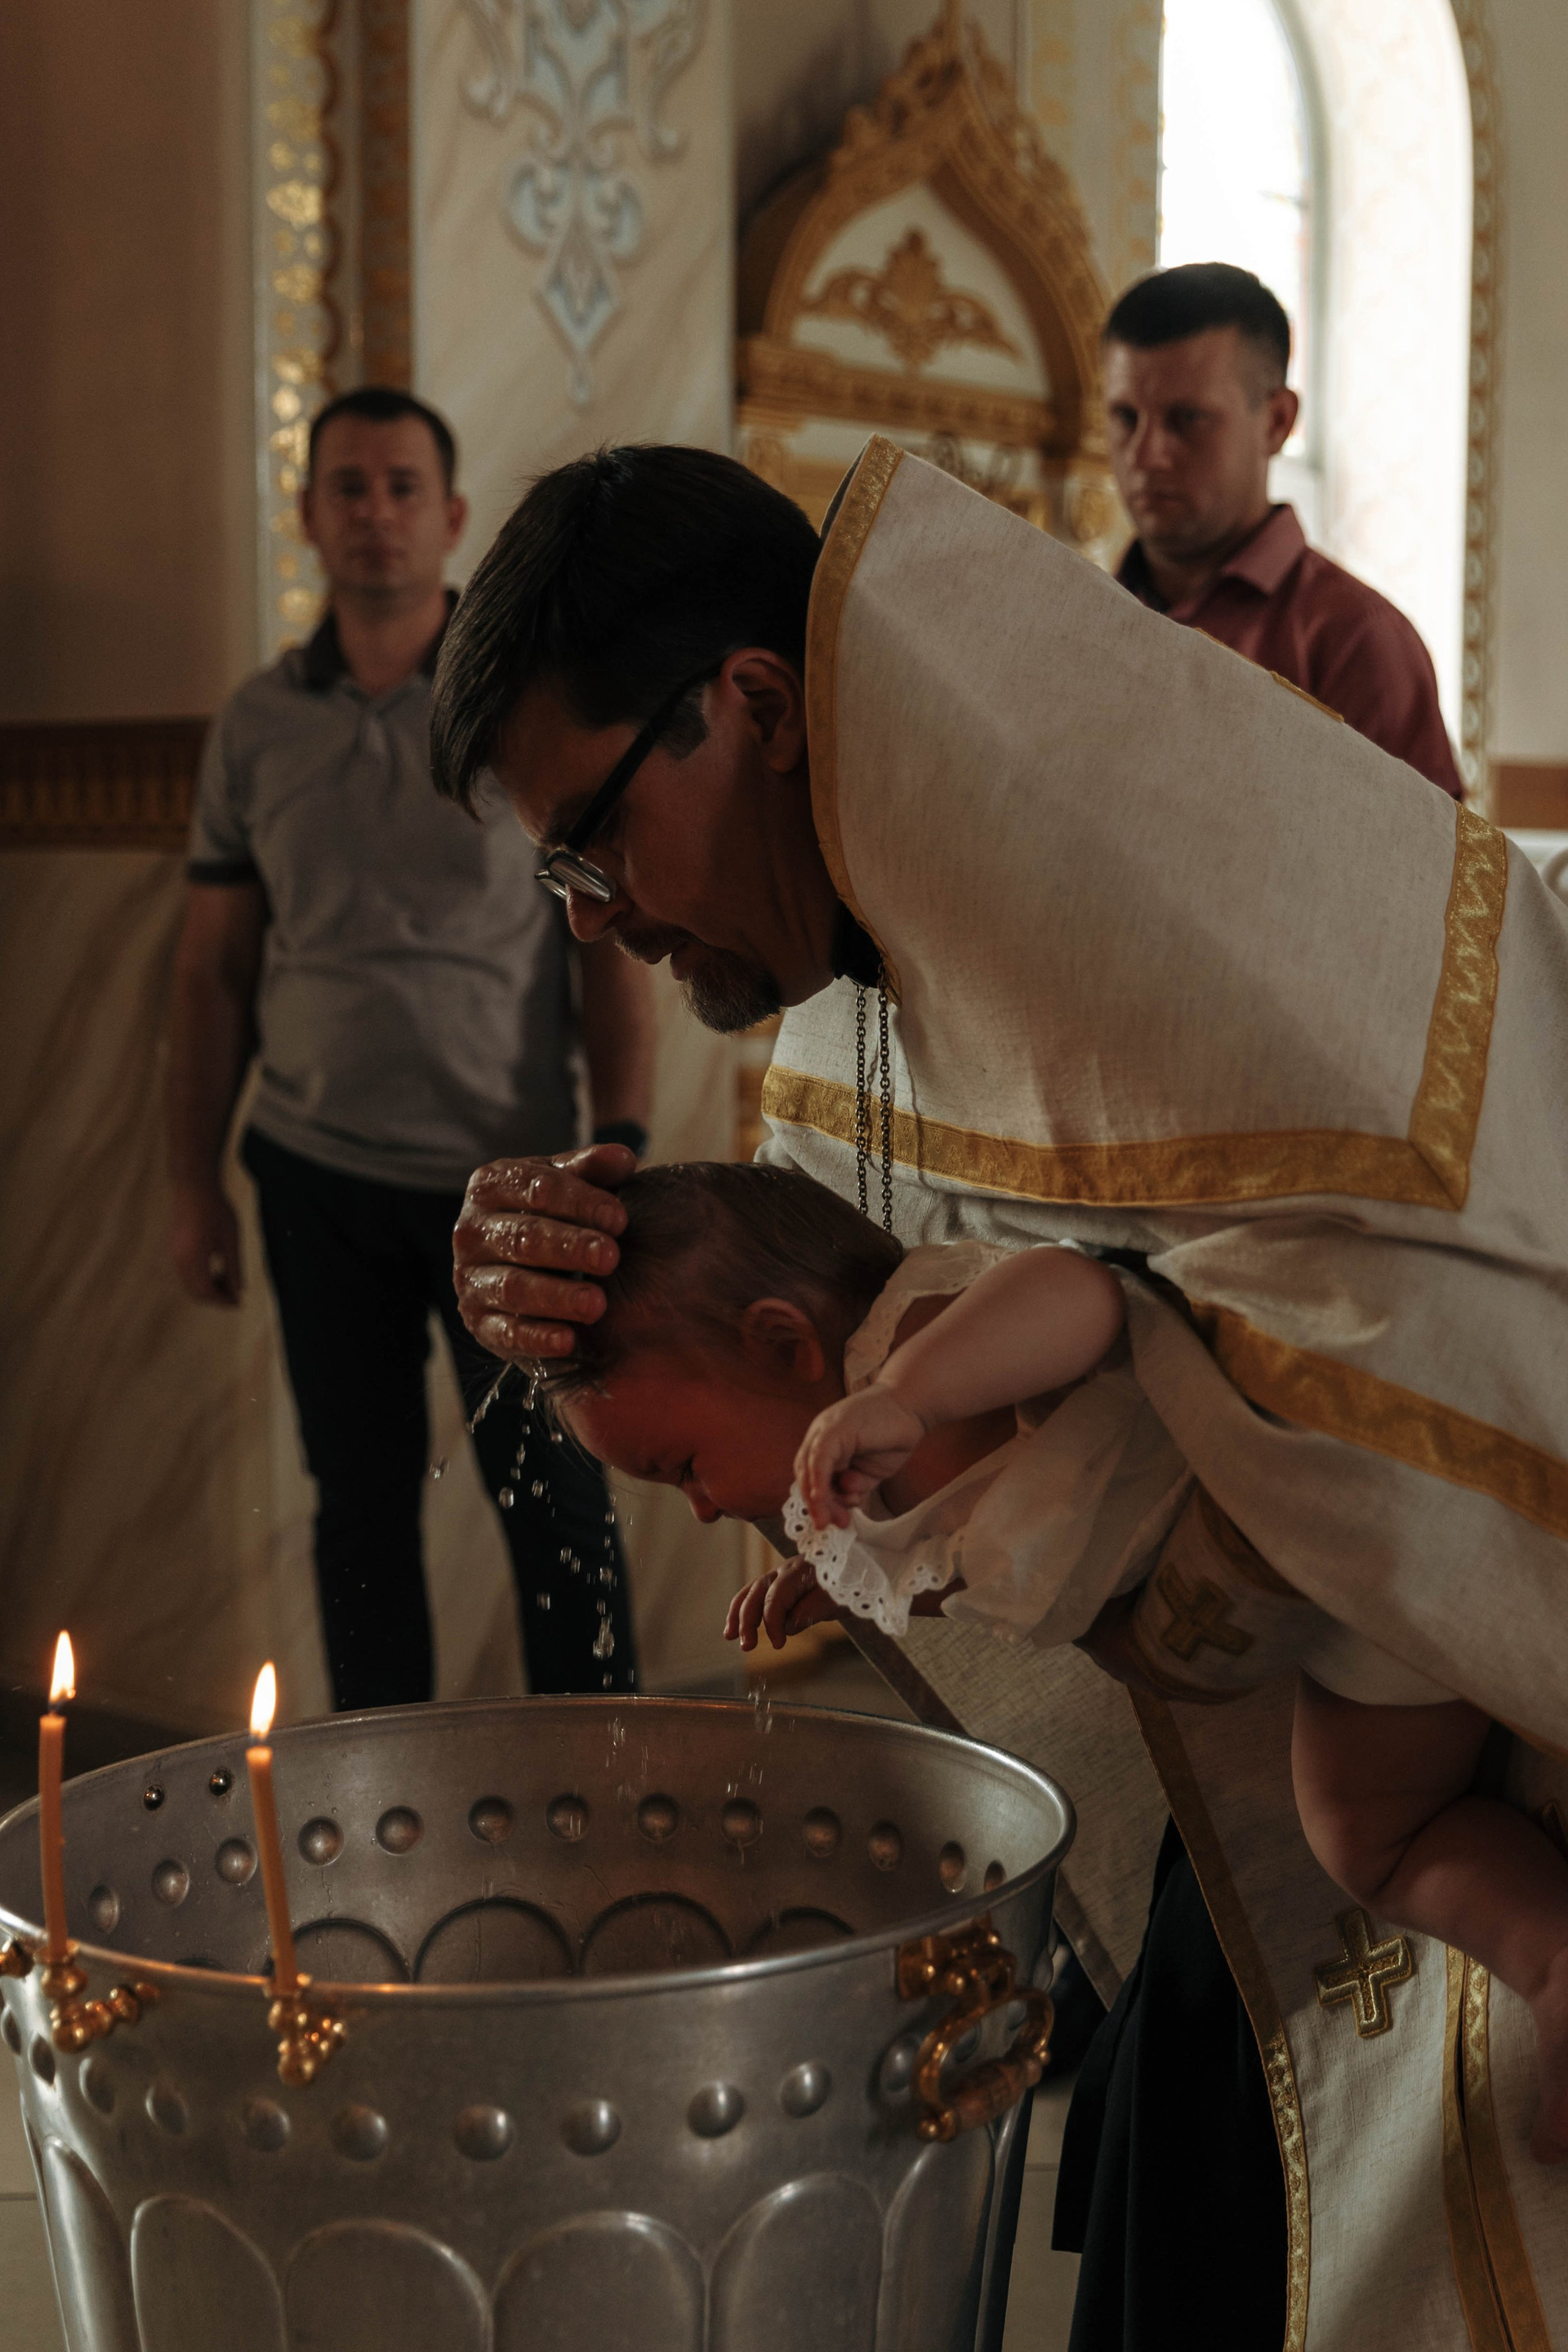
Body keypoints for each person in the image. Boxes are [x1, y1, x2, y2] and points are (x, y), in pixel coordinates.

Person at [427, 439, 1568, 2341]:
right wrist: (548, 1274)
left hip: (1468, 1709)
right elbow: (850, 1300)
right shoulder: (851, 980)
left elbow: (1403, 1273)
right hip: (1249, 1807)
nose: (592, 920)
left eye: (591, 843)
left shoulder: (1133, 864)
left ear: (756, 704)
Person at [550, 1160, 1568, 2163]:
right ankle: (1555, 1961)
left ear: (782, 1342)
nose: (698, 1508)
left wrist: (911, 1393)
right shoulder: (871, 1495)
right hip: (1342, 1619)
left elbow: (1086, 1288)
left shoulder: (918, 1338)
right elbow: (1000, 1553)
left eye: (682, 1468)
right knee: (1372, 1837)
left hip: (1328, 1474)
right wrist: (851, 1576)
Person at [167, 385, 649, 1711]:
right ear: (310, 514)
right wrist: (190, 1183)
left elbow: (602, 945)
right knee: (360, 1509)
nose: (374, 513)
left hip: (510, 1180)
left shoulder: (516, 711)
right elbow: (211, 973)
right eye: (349, 487)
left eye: (400, 488)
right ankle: (385, 1792)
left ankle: (603, 1777)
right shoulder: (257, 725)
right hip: (314, 1174)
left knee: (554, 1498)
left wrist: (624, 1142)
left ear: (450, 519)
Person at [1103, 261, 1463, 798]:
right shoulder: (1083, 610)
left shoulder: (1357, 641)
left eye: (1187, 419)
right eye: (1125, 417)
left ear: (1276, 421)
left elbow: (1417, 854)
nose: (1146, 455)